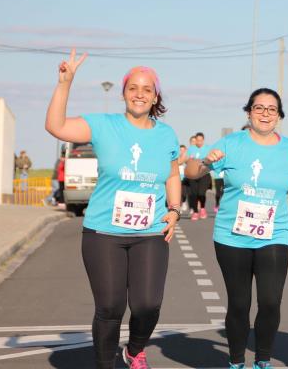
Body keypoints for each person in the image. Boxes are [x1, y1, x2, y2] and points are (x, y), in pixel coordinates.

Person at [45, 49, 181, 369]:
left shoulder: (166, 134)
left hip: (150, 232)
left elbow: (173, 173)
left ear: (155, 96)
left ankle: (134, 349)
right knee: (110, 306)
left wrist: (174, 209)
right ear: (123, 93)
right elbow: (56, 126)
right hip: (104, 231)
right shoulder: (103, 125)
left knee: (147, 305)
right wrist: (65, 83)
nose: (139, 94)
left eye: (147, 89)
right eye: (133, 87)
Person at [185, 88, 288, 369]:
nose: (265, 114)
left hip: (274, 233)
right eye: (259, 108)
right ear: (248, 112)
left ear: (279, 116)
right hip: (232, 235)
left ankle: (262, 360)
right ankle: (236, 361)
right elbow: (191, 173)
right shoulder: (231, 143)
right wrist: (205, 163)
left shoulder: (287, 147)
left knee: (271, 301)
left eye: (271, 109)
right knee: (239, 304)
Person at [180, 132, 212, 220]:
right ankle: (195, 212)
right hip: (193, 175)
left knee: (201, 193)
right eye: (198, 140)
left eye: (201, 140)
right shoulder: (191, 149)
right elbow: (185, 159)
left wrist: (204, 162)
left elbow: (211, 159)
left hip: (204, 174)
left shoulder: (208, 148)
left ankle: (202, 208)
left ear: (203, 140)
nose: (199, 142)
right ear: (196, 140)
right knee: (193, 194)